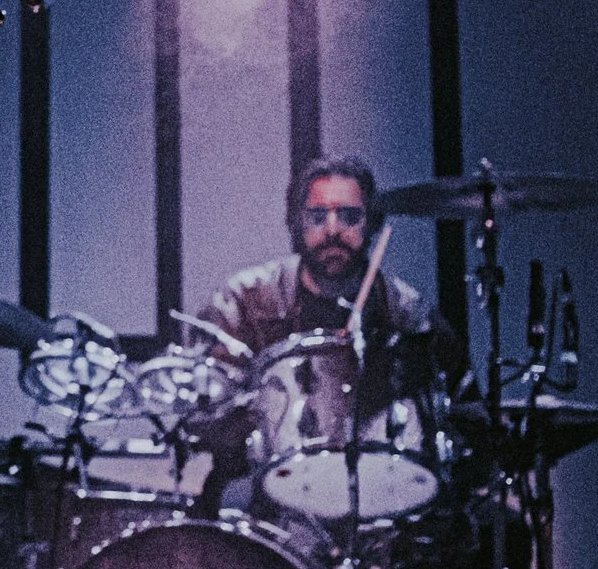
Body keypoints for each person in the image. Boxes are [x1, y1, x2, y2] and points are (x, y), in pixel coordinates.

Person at [186, 156, 462, 513]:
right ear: (296, 223)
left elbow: (460, 407)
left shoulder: (405, 312)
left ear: (372, 223)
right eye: (318, 216)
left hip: (380, 497)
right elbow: (207, 410)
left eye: (349, 216)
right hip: (268, 498)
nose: (333, 229)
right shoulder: (245, 300)